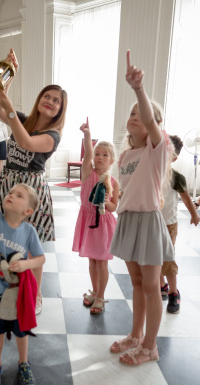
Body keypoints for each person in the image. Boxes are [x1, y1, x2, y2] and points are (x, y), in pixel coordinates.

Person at [108, 51, 174, 366]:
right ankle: (135, 336)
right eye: (131, 113)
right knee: (135, 283)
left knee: (150, 286)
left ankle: (150, 347)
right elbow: (124, 193)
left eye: (141, 114)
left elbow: (150, 119)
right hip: (129, 220)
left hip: (148, 223)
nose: (135, 116)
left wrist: (138, 90)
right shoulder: (125, 157)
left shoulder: (157, 150)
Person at [0, 49, 67, 315]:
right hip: (9, 184)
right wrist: (9, 74)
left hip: (32, 191)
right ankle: (4, 294)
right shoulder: (23, 119)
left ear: (60, 109)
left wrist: (10, 112)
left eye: (56, 100)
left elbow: (25, 142)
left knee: (31, 249)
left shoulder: (53, 135)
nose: (50, 101)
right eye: (46, 96)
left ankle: (34, 296)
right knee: (4, 242)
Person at [0, 152, 45, 385]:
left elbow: (40, 258)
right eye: (10, 193)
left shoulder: (29, 232)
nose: (11, 195)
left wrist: (26, 265)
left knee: (21, 330)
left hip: (19, 292)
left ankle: (23, 363)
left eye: (19, 195)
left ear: (28, 211)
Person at [72, 118, 119, 315]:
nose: (99, 157)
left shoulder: (114, 182)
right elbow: (88, 153)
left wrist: (105, 203)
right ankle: (95, 290)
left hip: (103, 223)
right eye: (98, 154)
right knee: (92, 260)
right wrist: (87, 135)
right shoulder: (87, 173)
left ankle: (101, 295)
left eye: (105, 155)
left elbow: (114, 206)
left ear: (111, 160)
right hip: (87, 219)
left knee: (102, 261)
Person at [160, 135, 200, 314]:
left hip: (168, 224)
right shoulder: (147, 173)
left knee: (167, 258)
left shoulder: (176, 177)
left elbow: (186, 198)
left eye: (166, 153)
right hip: (149, 223)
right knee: (153, 256)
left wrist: (194, 215)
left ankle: (173, 292)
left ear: (174, 158)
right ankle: (161, 285)